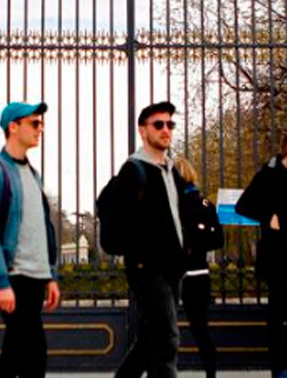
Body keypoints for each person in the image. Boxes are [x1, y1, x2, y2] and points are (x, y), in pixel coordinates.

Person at [0, 101, 62, 378]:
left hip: (36, 278)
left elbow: (42, 230)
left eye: (41, 123)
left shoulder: (33, 175)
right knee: (33, 356)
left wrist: (50, 275)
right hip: (14, 276)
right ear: (13, 127)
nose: (41, 129)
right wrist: (1, 281)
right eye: (34, 123)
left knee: (15, 356)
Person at [113, 101, 187, 378]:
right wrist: (142, 259)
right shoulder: (133, 171)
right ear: (143, 131)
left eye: (170, 124)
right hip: (148, 270)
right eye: (158, 124)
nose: (166, 129)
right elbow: (124, 223)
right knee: (166, 341)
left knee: (148, 342)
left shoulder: (172, 169)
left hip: (173, 268)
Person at [235, 133, 287, 378]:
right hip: (278, 255)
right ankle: (278, 368)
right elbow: (243, 205)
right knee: (278, 310)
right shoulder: (268, 175)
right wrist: (267, 215)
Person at [174, 157, 223, 378]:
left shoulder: (173, 204)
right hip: (199, 273)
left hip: (174, 273)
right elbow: (218, 240)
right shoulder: (206, 204)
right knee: (201, 330)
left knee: (161, 330)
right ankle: (211, 374)